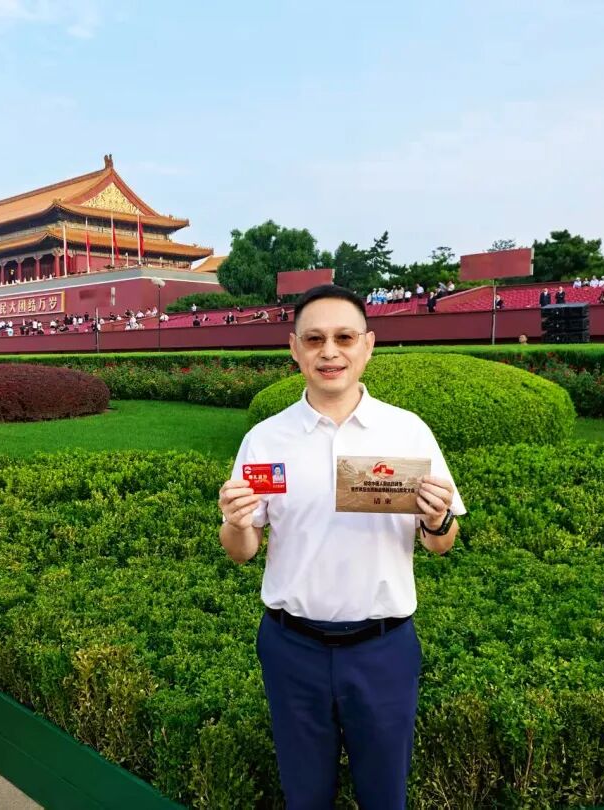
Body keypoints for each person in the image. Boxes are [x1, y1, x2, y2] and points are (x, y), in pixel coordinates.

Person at [218, 284, 464, 809]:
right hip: (292, 649)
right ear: (294, 349)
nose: (329, 352)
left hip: (383, 649)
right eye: (314, 339)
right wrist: (236, 522)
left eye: (344, 338)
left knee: (385, 797)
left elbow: (442, 543)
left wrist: (437, 518)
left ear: (368, 346)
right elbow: (242, 550)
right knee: (305, 796)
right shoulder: (266, 439)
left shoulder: (407, 432)